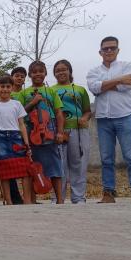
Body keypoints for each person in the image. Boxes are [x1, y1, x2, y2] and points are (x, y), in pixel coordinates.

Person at [86, 36, 131, 203]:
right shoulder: (93, 71)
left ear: (118, 50)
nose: (109, 51)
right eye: (106, 48)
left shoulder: (127, 66)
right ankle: (108, 193)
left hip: (125, 116)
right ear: (100, 52)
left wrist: (105, 85)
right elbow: (94, 88)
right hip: (103, 118)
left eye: (112, 48)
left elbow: (128, 84)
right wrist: (119, 79)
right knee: (106, 158)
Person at [16, 60, 65, 204]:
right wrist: (33, 102)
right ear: (30, 74)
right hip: (31, 133)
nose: (38, 74)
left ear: (45, 73)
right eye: (34, 72)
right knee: (32, 167)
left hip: (49, 131)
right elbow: (19, 113)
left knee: (55, 166)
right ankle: (32, 200)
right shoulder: (24, 93)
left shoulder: (51, 92)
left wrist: (60, 132)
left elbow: (59, 113)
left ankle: (60, 200)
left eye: (40, 71)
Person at [0, 75, 32, 205]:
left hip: (16, 137)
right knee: (4, 171)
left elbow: (22, 124)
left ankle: (27, 200)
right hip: (0, 139)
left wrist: (26, 142)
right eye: (2, 86)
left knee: (25, 170)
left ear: (12, 88)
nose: (5, 89)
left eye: (8, 86)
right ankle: (9, 201)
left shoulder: (17, 104)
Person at [52, 59, 91, 204]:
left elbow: (88, 111)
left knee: (78, 164)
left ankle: (78, 197)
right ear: (54, 74)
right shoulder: (51, 90)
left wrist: (84, 118)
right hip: (58, 131)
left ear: (70, 71)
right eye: (58, 70)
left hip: (78, 130)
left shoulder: (80, 90)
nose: (61, 72)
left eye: (64, 69)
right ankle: (58, 197)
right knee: (59, 165)